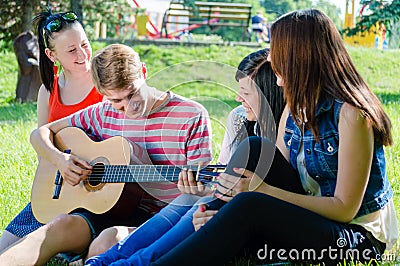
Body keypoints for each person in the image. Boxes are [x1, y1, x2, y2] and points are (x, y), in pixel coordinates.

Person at [151, 9, 398, 266]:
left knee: (249, 207)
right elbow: (273, 172)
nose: (270, 57)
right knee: (255, 149)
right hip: (310, 219)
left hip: (356, 241)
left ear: (298, 56)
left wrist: (262, 191)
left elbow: (344, 209)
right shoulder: (295, 106)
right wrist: (218, 210)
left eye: (275, 49)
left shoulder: (351, 115)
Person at [84, 49, 305, 265]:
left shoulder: (295, 129)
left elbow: (286, 196)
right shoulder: (239, 118)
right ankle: (108, 261)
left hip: (274, 217)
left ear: (269, 93)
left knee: (208, 200)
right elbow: (221, 185)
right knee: (194, 200)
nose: (238, 98)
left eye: (245, 93)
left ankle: (132, 263)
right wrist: (206, 197)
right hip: (243, 208)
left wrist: (221, 209)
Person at [0, 43, 212, 265]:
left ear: (144, 71)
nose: (129, 107)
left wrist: (194, 187)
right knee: (56, 226)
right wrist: (61, 160)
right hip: (104, 209)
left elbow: (202, 190)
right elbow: (40, 133)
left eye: (133, 94)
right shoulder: (103, 113)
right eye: (117, 101)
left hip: (155, 220)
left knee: (105, 243)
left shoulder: (191, 115)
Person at [0, 10, 103, 252]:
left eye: (84, 44)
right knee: (4, 246)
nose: (82, 54)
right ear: (51, 55)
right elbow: (41, 146)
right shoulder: (48, 92)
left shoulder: (105, 84)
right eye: (71, 50)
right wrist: (61, 161)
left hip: (96, 194)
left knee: (30, 247)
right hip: (58, 189)